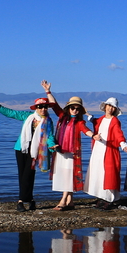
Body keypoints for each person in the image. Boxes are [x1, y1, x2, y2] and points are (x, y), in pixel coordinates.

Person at [0, 82, 56, 212]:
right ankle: (30, 201)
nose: (43, 109)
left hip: (35, 151)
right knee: (22, 174)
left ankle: (20, 201)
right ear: (36, 108)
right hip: (21, 149)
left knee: (28, 175)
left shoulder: (48, 121)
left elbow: (50, 136)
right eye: (40, 107)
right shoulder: (27, 116)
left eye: (45, 107)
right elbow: (11, 113)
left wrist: (52, 145)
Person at [42, 83, 95, 211]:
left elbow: (85, 130)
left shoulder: (79, 122)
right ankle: (70, 201)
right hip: (60, 150)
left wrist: (94, 136)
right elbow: (54, 106)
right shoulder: (62, 117)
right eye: (73, 108)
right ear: (69, 108)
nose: (75, 110)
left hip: (72, 153)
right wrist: (48, 92)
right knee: (65, 175)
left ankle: (63, 200)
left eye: (77, 109)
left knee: (68, 175)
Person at [86, 97, 127, 210]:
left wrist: (123, 144)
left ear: (115, 109)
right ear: (105, 106)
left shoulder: (115, 121)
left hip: (109, 150)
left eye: (112, 107)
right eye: (109, 106)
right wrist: (90, 117)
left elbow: (118, 133)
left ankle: (110, 199)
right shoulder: (101, 119)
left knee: (109, 174)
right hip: (98, 149)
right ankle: (101, 196)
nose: (110, 108)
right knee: (99, 173)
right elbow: (96, 123)